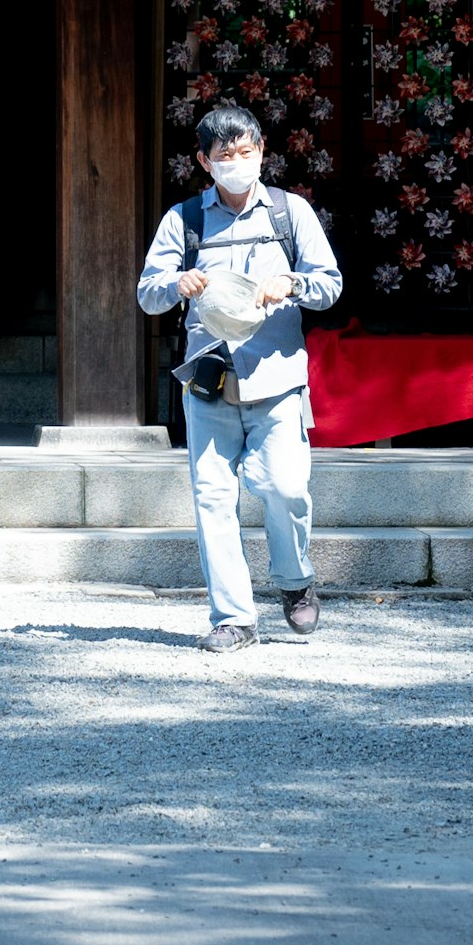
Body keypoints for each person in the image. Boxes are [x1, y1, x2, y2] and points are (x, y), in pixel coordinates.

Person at [135, 105, 343, 652]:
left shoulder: (289, 212)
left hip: (277, 379)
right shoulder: (185, 220)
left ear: (262, 151)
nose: (236, 163)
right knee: (211, 498)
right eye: (224, 155)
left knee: (286, 486)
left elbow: (330, 284)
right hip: (210, 381)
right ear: (204, 161)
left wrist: (292, 284)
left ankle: (295, 582)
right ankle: (233, 617)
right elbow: (147, 292)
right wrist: (178, 283)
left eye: (245, 152)